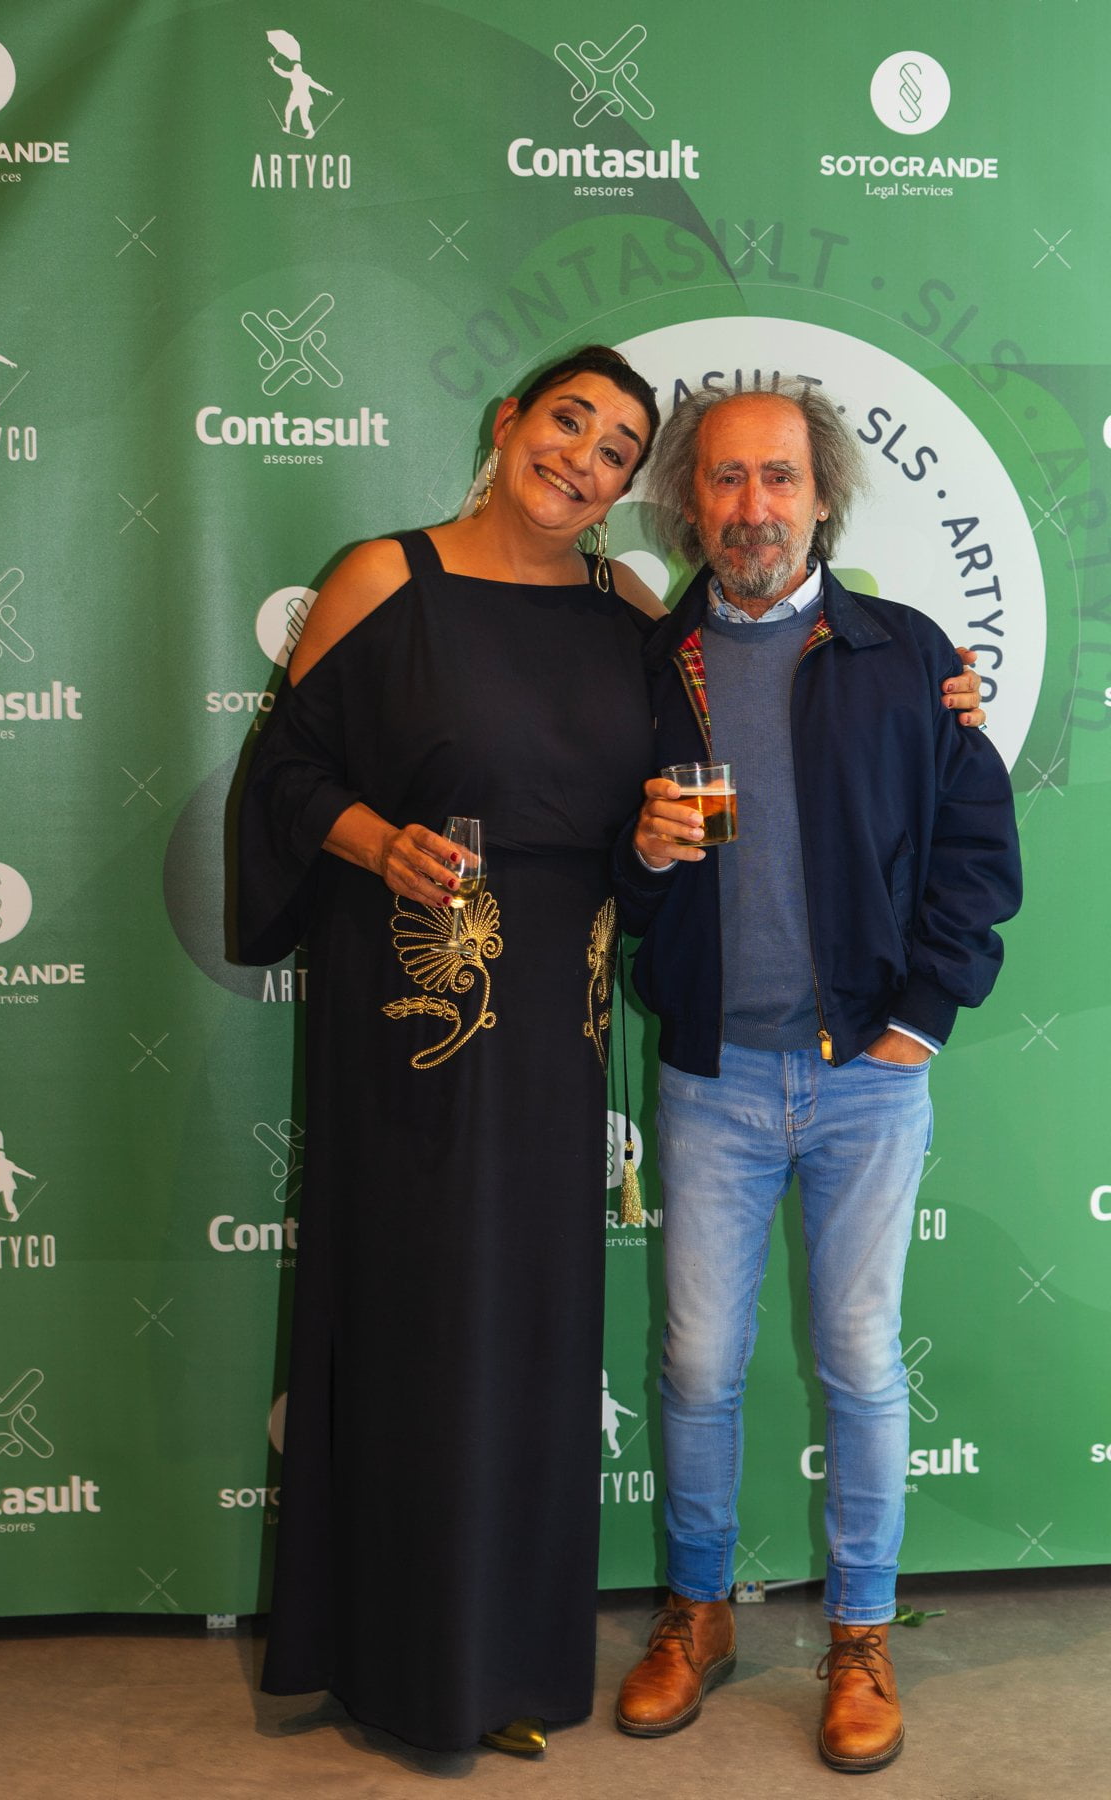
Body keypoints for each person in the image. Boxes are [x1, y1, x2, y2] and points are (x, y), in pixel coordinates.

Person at [232, 349, 984, 1758]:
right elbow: (293, 778)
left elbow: (954, 839)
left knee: (610, 1343)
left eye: (616, 447)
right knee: (583, 1351)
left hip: (595, 1046)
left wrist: (943, 702)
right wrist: (383, 846)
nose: (584, 458)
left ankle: (763, 1645)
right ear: (510, 423)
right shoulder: (475, 597)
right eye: (569, 424)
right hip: (464, 1033)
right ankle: (512, 1645)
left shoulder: (690, 627)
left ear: (820, 498)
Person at [610, 383, 1022, 1773]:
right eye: (726, 480)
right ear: (691, 503)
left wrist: (925, 1015)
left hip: (867, 1077)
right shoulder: (648, 664)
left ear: (823, 495)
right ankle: (698, 1612)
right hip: (713, 1076)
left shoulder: (908, 655)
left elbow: (977, 850)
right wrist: (641, 855)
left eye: (778, 478)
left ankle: (859, 1634)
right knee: (696, 1364)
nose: (753, 508)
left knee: (858, 1360)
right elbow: (600, 874)